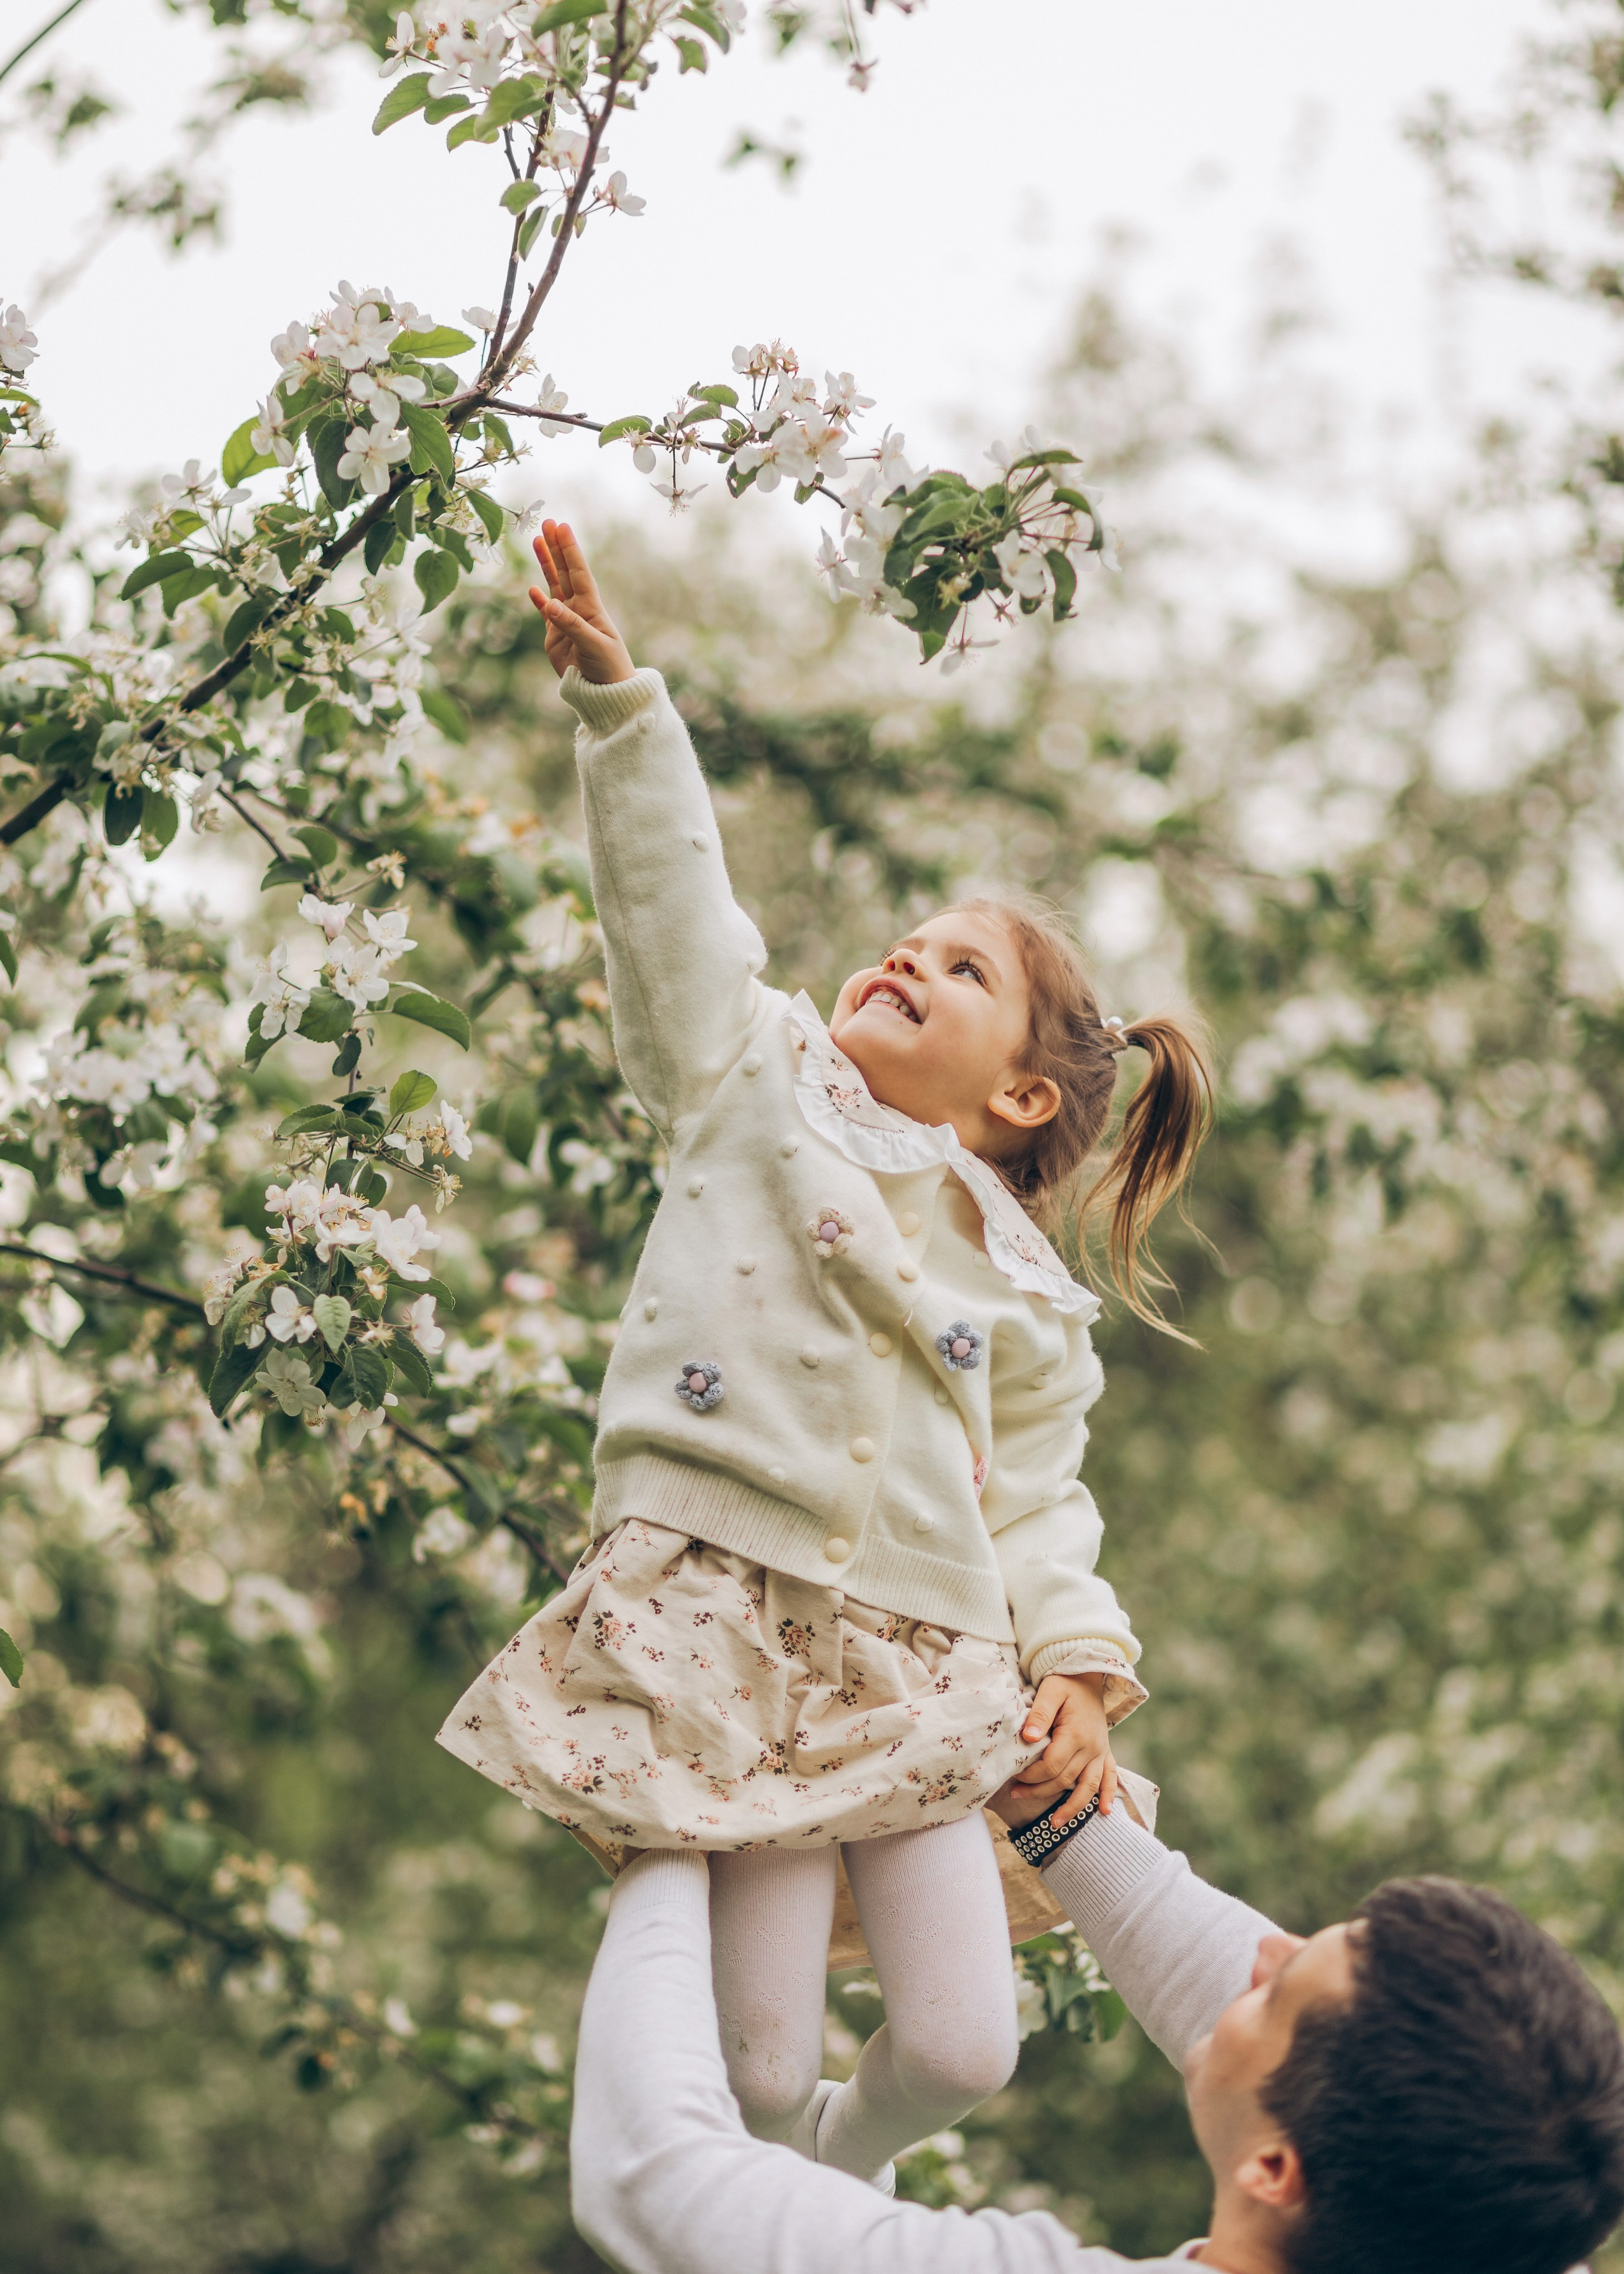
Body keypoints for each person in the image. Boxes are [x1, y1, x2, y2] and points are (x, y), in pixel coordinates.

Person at [436, 522, 1212, 2187]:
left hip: (924, 1657)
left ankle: (842, 2188)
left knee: (961, 2045)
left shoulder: (1022, 1291)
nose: (907, 959)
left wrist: (1072, 1666)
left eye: (961, 967)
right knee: (765, 2055)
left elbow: (1043, 1509)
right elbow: (676, 918)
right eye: (909, 940)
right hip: (734, 1619)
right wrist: (623, 714)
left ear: (1017, 1098)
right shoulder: (753, 1072)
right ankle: (773, 2222)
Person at [568, 1780, 1624, 2274]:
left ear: (1273, 2171)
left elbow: (651, 2171)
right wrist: (1063, 1818)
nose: (1258, 1954)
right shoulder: (1500, 2224)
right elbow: (1367, 2090)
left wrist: (667, 1834)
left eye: (1279, 1988)